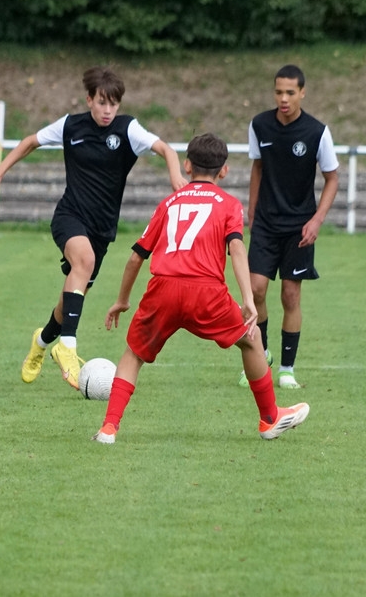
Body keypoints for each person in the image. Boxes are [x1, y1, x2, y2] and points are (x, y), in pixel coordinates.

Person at [94, 133, 309, 443]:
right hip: (206, 292)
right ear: (224, 171)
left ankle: (109, 428)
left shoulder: (168, 203)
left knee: (133, 354)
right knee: (252, 340)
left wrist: (122, 300)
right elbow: (236, 249)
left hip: (163, 288)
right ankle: (270, 418)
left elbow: (135, 258)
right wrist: (248, 299)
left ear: (187, 165)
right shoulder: (229, 204)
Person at [0, 66, 186, 389]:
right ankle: (68, 347)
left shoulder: (127, 129)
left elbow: (166, 149)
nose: (107, 110)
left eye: (113, 104)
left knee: (70, 301)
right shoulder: (70, 125)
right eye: (102, 102)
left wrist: (175, 175)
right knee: (84, 261)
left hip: (102, 229)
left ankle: (41, 342)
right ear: (89, 99)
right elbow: (30, 142)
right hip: (70, 216)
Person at [235, 64, 339, 389]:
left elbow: (333, 178)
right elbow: (257, 168)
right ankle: (262, 353)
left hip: (299, 227)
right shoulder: (259, 125)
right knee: (255, 290)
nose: (283, 98)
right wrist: (251, 210)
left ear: (302, 93)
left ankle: (287, 369)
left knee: (290, 296)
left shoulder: (317, 132)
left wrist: (317, 220)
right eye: (279, 92)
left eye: (290, 92)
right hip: (266, 223)